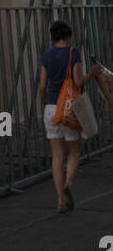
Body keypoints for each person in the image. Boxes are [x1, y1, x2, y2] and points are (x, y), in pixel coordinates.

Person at [38, 20, 102, 212]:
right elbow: (78, 81)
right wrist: (92, 73)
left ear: (53, 37)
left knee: (57, 155)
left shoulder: (46, 56)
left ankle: (60, 201)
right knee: (74, 152)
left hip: (50, 107)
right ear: (68, 36)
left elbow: (42, 86)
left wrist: (44, 104)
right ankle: (68, 184)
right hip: (68, 108)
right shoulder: (73, 53)